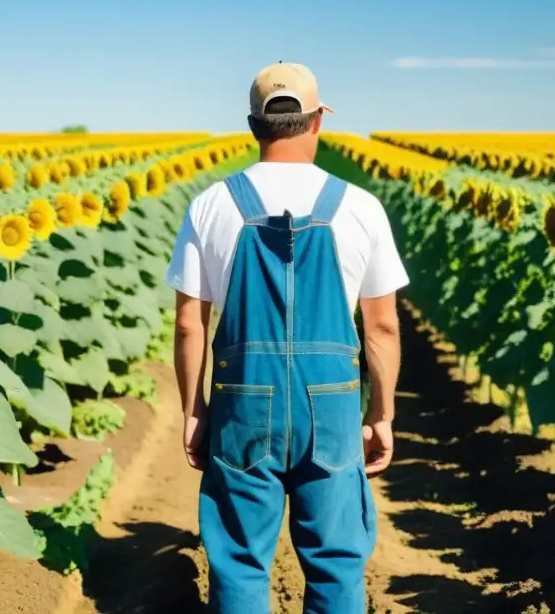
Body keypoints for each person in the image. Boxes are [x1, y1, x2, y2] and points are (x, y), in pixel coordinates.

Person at [164, 61, 408, 614]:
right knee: (336, 559)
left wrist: (193, 408)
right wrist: (381, 414)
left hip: (244, 403)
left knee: (241, 558)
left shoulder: (211, 205)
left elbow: (188, 323)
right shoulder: (360, 207)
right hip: (332, 406)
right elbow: (383, 326)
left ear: (254, 127)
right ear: (318, 120)